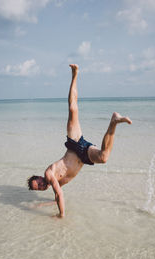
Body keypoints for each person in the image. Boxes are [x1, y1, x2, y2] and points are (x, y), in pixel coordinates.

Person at [27, 64, 132, 218]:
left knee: (72, 108)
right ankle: (114, 121)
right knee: (104, 157)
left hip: (74, 144)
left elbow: (59, 195)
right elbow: (58, 195)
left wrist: (61, 215)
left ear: (40, 177)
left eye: (40, 183)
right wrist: (45, 204)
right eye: (40, 188)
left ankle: (74, 74)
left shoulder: (49, 174)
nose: (42, 186)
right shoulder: (54, 183)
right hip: (83, 155)